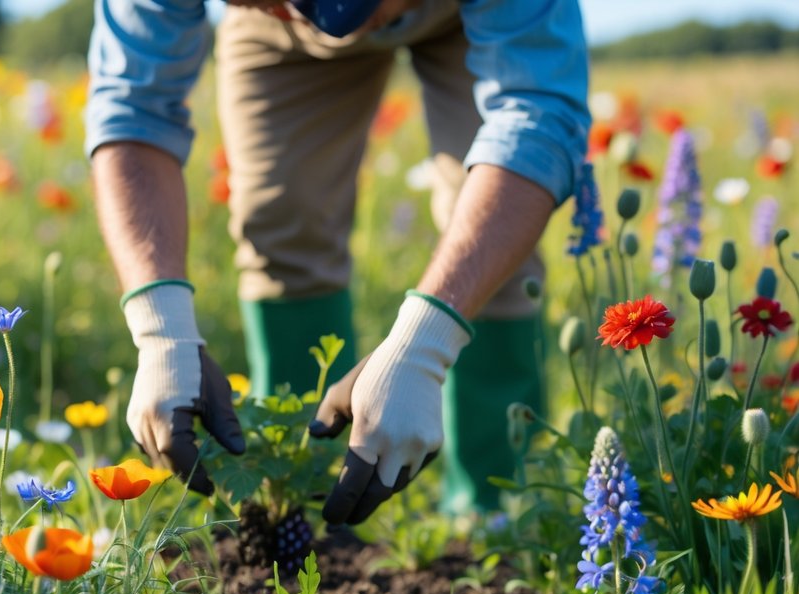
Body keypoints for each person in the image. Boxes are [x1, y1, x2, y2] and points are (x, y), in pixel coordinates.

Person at [84, 0, 590, 523]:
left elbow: (537, 116)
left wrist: (426, 346)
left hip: (458, 13)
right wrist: (160, 330)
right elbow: (133, 107)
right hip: (277, 39)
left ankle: (498, 515)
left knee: (495, 242)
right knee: (283, 220)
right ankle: (305, 502)